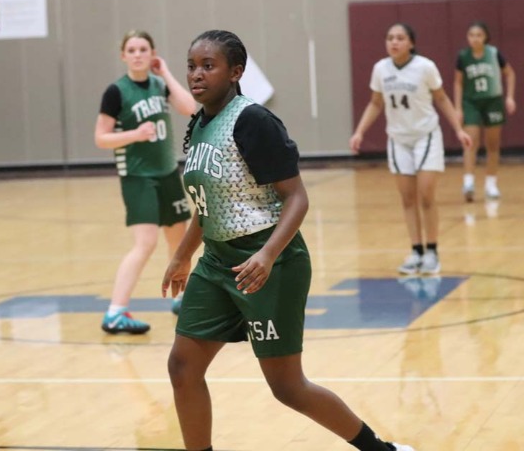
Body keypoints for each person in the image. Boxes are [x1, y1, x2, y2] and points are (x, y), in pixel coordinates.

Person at [162, 29, 415, 451]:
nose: (196, 74)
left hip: (269, 263)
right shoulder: (199, 124)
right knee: (182, 367)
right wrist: (182, 255)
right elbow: (209, 206)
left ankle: (380, 450)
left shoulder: (254, 121)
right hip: (217, 262)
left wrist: (267, 254)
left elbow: (297, 197)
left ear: (236, 72)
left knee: (287, 387)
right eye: (191, 66)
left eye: (208, 66)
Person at [94, 30, 196, 334]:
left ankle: (182, 299)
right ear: (123, 55)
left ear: (152, 53)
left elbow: (189, 108)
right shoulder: (116, 92)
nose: (137, 54)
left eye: (143, 49)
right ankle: (115, 312)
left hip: (168, 173)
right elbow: (101, 138)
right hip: (138, 177)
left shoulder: (159, 85)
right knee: (146, 243)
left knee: (179, 243)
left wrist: (165, 73)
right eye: (132, 50)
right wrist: (135, 135)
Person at [350, 23, 472, 275]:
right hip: (398, 140)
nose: (394, 42)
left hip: (426, 136)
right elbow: (376, 103)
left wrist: (458, 130)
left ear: (411, 43)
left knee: (426, 194)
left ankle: (432, 251)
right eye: (390, 38)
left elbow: (441, 98)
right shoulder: (380, 69)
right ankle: (416, 251)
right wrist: (360, 131)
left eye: (400, 38)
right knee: (407, 198)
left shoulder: (425, 67)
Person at [453, 21, 517, 202]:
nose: (475, 38)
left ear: (485, 37)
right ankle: (468, 183)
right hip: (471, 102)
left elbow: (510, 74)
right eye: (471, 35)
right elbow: (458, 82)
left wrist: (510, 97)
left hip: (493, 101)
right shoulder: (463, 56)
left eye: (479, 35)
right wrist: (458, 108)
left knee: (493, 145)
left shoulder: (494, 53)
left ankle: (491, 184)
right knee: (470, 142)